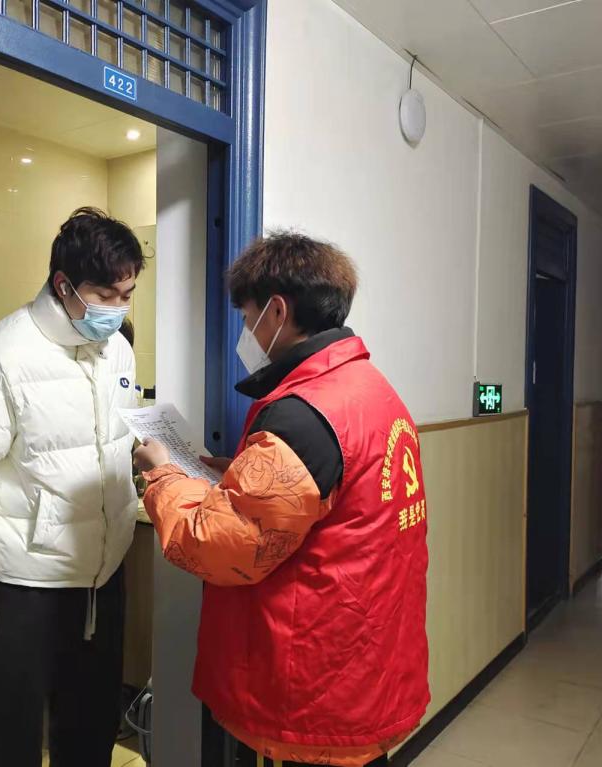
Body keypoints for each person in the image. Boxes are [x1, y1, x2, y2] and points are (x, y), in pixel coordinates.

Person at [134, 232, 430, 767]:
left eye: (247, 316)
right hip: (366, 660)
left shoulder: (303, 415)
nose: (245, 331)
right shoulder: (367, 387)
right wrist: (236, 471)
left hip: (315, 681)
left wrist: (162, 475)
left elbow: (222, 547)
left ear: (277, 311)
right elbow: (324, 497)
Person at [0, 207, 144, 767]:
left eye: (127, 294)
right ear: (63, 285)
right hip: (23, 581)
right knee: (10, 731)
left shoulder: (117, 349)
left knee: (90, 723)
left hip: (101, 573)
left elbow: (112, 439)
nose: (117, 308)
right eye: (105, 294)